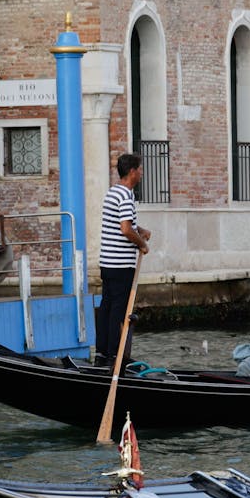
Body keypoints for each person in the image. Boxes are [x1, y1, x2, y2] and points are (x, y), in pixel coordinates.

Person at [97, 153, 153, 367]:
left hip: (107, 263)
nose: (141, 173)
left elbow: (122, 223)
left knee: (106, 308)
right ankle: (114, 357)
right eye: (140, 169)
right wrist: (142, 244)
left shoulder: (113, 193)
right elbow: (125, 229)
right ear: (132, 172)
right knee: (118, 311)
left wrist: (141, 230)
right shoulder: (126, 196)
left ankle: (101, 355)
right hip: (121, 265)